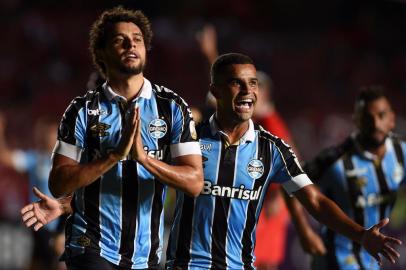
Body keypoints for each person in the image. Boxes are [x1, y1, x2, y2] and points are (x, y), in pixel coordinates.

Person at [23, 54, 402, 270]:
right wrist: (67, 205)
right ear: (215, 91)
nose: (247, 91)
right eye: (237, 83)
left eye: (252, 83)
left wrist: (360, 234)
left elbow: (315, 201)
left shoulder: (273, 149)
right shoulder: (186, 142)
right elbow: (129, 181)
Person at [30, 7, 203, 270]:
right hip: (89, 245)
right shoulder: (81, 110)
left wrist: (144, 159)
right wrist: (113, 156)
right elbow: (58, 182)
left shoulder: (173, 107)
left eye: (137, 39)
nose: (130, 44)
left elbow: (194, 182)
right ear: (101, 52)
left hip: (146, 254)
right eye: (119, 40)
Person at [196, 25, 326, 269]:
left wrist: (278, 196)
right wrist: (210, 55)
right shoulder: (243, 123)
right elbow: (219, 93)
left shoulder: (269, 124)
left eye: (254, 87)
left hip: (265, 210)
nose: (245, 92)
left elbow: (293, 170)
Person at [304, 86, 406, 270]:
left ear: (392, 119)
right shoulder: (334, 159)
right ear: (356, 122)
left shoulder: (401, 153)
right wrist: (305, 232)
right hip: (336, 256)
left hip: (372, 254)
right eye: (367, 118)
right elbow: (290, 184)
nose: (375, 124)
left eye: (381, 115)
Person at [0, 113, 65, 270]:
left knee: (61, 263)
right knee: (36, 263)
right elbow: (6, 157)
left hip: (60, 224)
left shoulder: (68, 161)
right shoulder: (35, 158)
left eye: (51, 134)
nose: (47, 138)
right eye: (44, 134)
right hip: (37, 224)